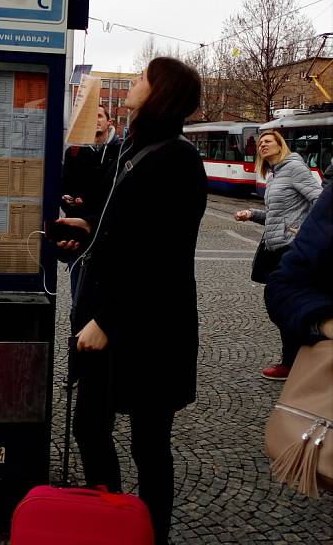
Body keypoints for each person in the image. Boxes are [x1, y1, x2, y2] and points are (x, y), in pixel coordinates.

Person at [56, 57, 207, 545]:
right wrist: (89, 231)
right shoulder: (139, 149)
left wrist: (106, 319)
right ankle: (115, 522)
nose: (134, 83)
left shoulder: (177, 158)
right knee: (89, 430)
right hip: (118, 320)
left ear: (160, 92)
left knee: (149, 446)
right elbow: (129, 233)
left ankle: (149, 534)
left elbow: (160, 257)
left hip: (149, 331)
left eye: (143, 77)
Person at [234, 130, 322, 380]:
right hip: (275, 247)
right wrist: (252, 213)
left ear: (280, 145)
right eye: (260, 142)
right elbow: (276, 216)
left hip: (291, 247)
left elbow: (320, 201)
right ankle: (298, 359)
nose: (263, 145)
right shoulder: (274, 175)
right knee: (283, 304)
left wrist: (302, 233)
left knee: (283, 303)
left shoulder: (294, 168)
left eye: (268, 141)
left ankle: (292, 362)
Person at [61, 105, 121, 298]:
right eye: (90, 115)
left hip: (108, 239)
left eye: (99, 115)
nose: (95, 119)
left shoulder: (121, 153)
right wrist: (67, 200)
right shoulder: (74, 152)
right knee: (78, 300)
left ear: (109, 122)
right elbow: (64, 187)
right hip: (79, 239)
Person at [264, 182, 333, 346]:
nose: (261, 153)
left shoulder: (295, 168)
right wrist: (325, 322)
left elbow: (314, 195)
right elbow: (284, 286)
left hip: (287, 238)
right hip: (285, 242)